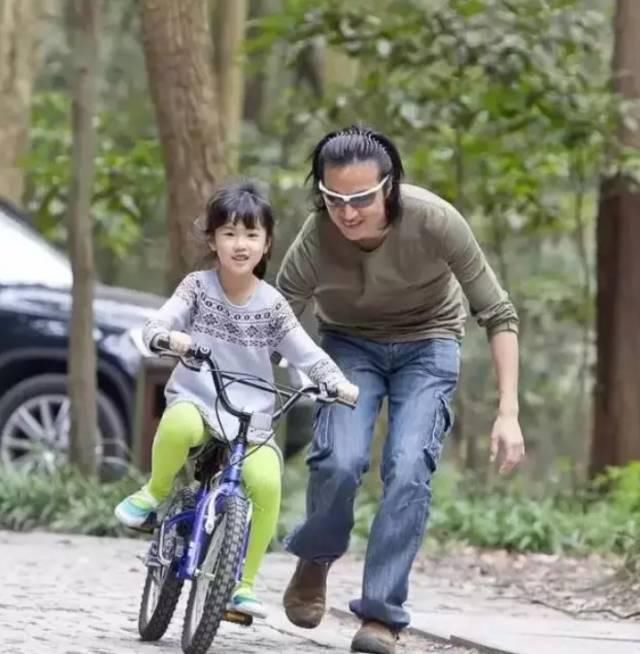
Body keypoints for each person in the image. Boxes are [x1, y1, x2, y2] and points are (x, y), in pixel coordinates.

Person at [277, 125, 526, 654]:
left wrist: (508, 412)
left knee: (409, 467)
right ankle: (315, 558)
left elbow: (498, 312)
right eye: (334, 199)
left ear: (388, 186)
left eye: (361, 199)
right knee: (339, 460)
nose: (347, 213)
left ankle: (381, 615)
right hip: (349, 344)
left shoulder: (435, 220)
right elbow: (275, 316)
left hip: (428, 343)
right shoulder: (315, 237)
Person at [114, 181, 358, 619]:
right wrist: (165, 337)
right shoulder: (197, 287)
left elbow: (306, 353)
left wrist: (335, 382)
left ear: (267, 244)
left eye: (251, 234)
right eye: (229, 233)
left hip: (251, 417)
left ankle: (241, 585)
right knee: (180, 424)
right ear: (213, 240)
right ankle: (153, 493)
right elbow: (160, 322)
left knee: (267, 482)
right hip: (198, 397)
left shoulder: (273, 306)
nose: (240, 244)